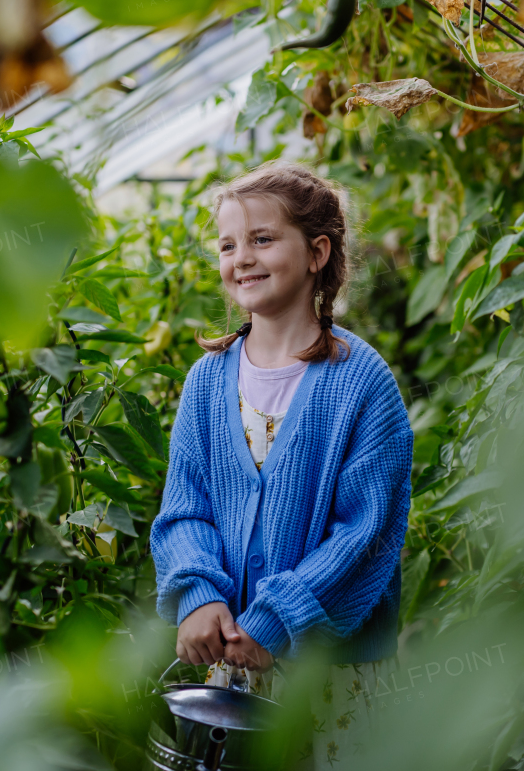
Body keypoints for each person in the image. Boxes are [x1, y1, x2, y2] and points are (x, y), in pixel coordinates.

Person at [149, 160, 413, 767]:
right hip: (233, 672)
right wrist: (197, 593)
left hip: (332, 673)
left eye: (262, 239)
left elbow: (365, 534)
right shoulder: (207, 381)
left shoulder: (362, 384)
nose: (241, 257)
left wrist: (276, 618)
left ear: (318, 252)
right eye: (227, 244)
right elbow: (185, 507)